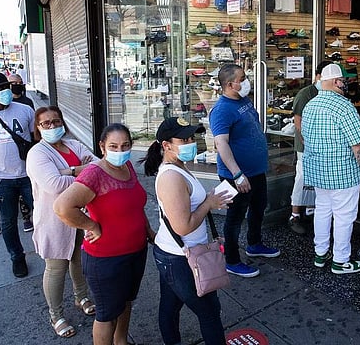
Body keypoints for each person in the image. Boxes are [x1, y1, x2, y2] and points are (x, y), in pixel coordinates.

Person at [53, 123, 156, 345]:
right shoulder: (94, 174)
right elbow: (62, 207)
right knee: (107, 314)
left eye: (125, 145)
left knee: (126, 301)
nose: (120, 151)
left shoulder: (127, 166)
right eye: (114, 146)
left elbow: (135, 206)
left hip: (136, 251)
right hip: (106, 259)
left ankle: (121, 341)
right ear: (102, 146)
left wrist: (148, 230)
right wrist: (91, 226)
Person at [141, 117, 231, 345]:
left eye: (192, 137)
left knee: (170, 306)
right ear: (166, 145)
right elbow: (183, 226)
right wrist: (209, 204)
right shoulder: (171, 177)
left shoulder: (179, 167)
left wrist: (211, 201)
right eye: (184, 139)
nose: (191, 142)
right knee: (210, 311)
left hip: (178, 254)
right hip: (179, 257)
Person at [26, 106, 99, 338]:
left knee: (78, 259)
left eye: (56, 121)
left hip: (80, 214)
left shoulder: (73, 145)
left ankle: (81, 296)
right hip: (53, 219)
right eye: (45, 123)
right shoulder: (37, 153)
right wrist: (78, 170)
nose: (52, 126)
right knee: (56, 267)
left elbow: (97, 166)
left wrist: (67, 172)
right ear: (38, 128)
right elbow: (54, 185)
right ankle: (55, 315)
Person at [210, 63, 280, 278]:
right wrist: (237, 174)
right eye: (243, 77)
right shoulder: (221, 110)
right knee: (235, 216)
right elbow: (221, 144)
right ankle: (231, 260)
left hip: (256, 171)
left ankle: (254, 244)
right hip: (236, 176)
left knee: (258, 208)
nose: (246, 80)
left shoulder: (243, 101)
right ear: (231, 84)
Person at [301, 63, 360, 275]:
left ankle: (321, 254)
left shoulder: (310, 105)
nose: (346, 83)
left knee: (322, 211)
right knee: (344, 216)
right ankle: (341, 261)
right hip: (342, 173)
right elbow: (358, 145)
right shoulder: (344, 106)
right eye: (343, 80)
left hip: (318, 171)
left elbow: (304, 137)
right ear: (334, 81)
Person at [0, 72, 35, 277]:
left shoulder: (25, 110)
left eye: (6, 86)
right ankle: (17, 258)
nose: (6, 91)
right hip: (0, 179)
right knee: (8, 221)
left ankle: (54, 252)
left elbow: (38, 139)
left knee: (44, 213)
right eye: (0, 89)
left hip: (28, 175)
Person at [288, 60, 332, 235]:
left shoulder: (330, 93)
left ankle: (312, 212)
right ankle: (294, 215)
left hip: (323, 145)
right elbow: (297, 120)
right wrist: (308, 140)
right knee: (302, 178)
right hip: (306, 146)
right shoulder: (306, 93)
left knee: (318, 180)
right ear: (319, 76)